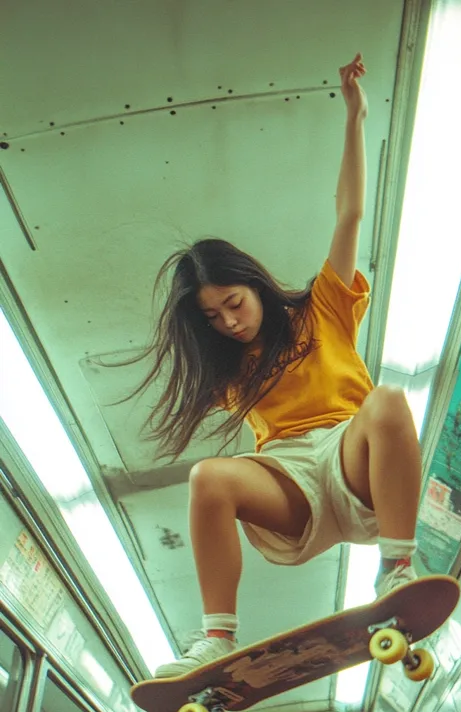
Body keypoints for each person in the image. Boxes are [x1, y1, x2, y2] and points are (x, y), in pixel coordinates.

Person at [142, 54, 422, 679]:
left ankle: (398, 568)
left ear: (255, 285)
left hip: (352, 457)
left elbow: (349, 212)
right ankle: (216, 638)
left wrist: (355, 117)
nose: (229, 323)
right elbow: (222, 463)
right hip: (290, 482)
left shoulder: (324, 306)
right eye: (212, 317)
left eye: (233, 304)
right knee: (209, 477)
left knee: (388, 401)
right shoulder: (227, 369)